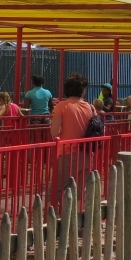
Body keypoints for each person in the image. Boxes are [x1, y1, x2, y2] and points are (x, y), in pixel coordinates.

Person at [50, 73, 97, 203]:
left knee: (55, 190)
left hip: (67, 153)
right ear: (82, 89)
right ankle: (76, 219)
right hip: (87, 153)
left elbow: (54, 131)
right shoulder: (91, 107)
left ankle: (54, 219)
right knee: (80, 192)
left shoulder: (62, 106)